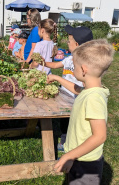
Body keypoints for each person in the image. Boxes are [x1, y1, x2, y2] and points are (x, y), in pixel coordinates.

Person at [48, 39, 115, 184]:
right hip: (79, 156)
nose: (72, 70)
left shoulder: (93, 99)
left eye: (74, 67)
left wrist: (69, 156)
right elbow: (76, 89)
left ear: (84, 70)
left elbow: (100, 136)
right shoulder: (90, 90)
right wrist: (56, 77)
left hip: (86, 163)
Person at [36, 25, 93, 151]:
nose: (67, 43)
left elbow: (78, 89)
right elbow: (56, 64)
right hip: (64, 96)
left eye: (69, 41)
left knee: (70, 125)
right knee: (64, 121)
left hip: (75, 100)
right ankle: (65, 138)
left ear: (76, 44)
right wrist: (43, 63)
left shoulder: (85, 65)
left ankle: (66, 143)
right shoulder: (70, 59)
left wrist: (57, 79)